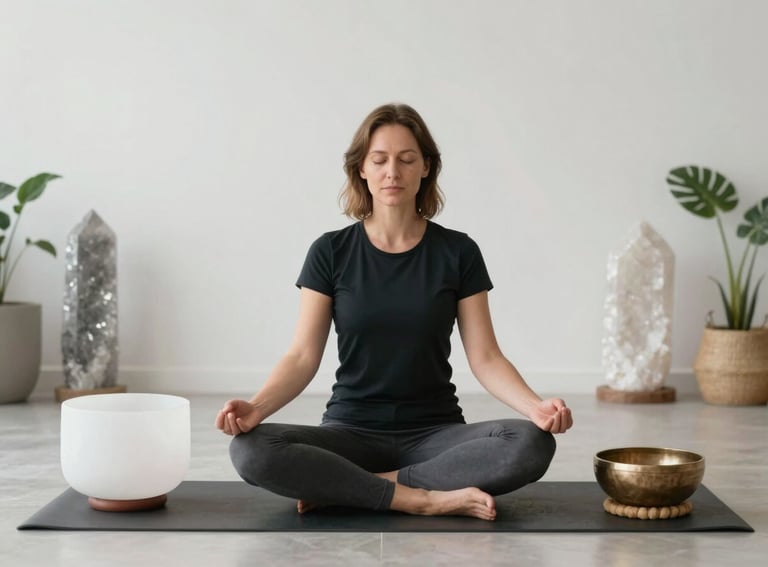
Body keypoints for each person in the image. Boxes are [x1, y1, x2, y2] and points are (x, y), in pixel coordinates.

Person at [215, 103, 573, 521]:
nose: (392, 172)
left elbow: (486, 357)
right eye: (379, 160)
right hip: (350, 431)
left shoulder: (458, 252)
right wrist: (257, 408)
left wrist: (534, 407)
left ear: (425, 169)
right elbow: (302, 356)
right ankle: (422, 499)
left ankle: (355, 487)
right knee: (250, 450)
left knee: (531, 442)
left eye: (407, 160)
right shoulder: (330, 252)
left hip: (437, 433)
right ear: (361, 170)